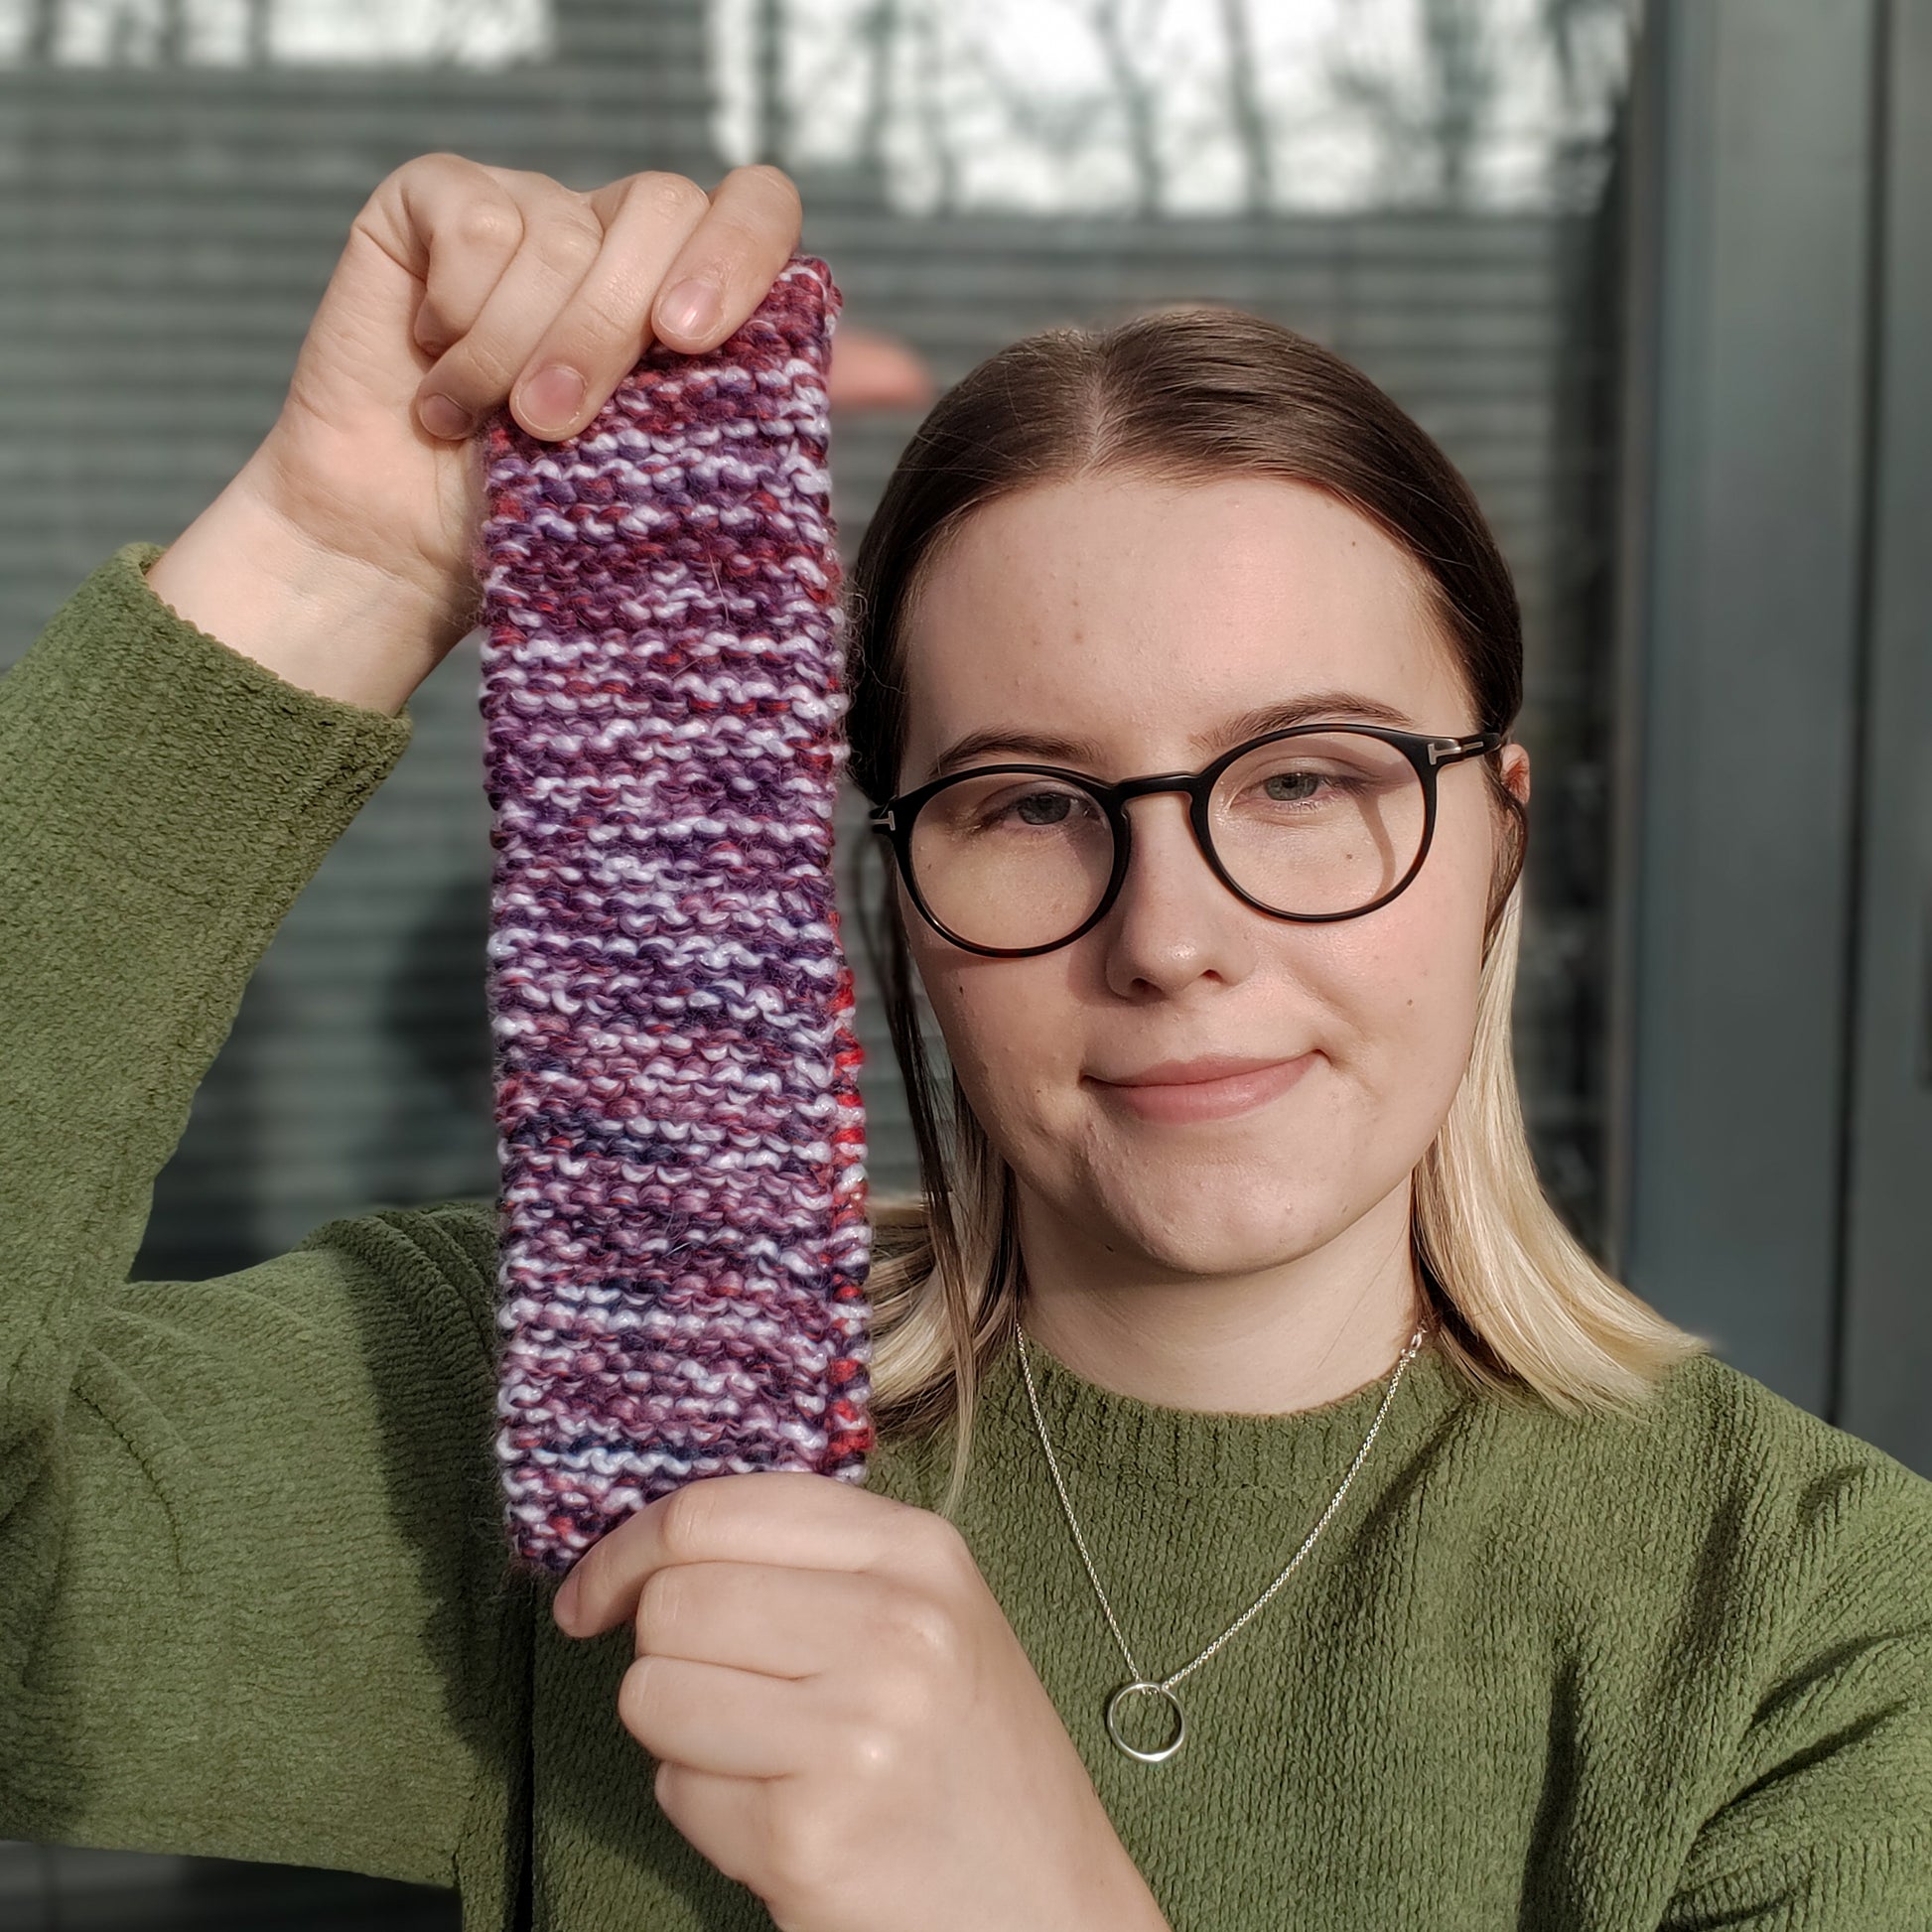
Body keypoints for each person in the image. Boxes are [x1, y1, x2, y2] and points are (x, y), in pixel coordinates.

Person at [2, 152, 1928, 1932]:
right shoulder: (578, 1412)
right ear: (897, 903)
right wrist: (317, 571)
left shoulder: (1819, 1632)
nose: (1171, 939)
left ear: (1497, 834)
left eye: (1303, 778)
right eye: (1025, 803)